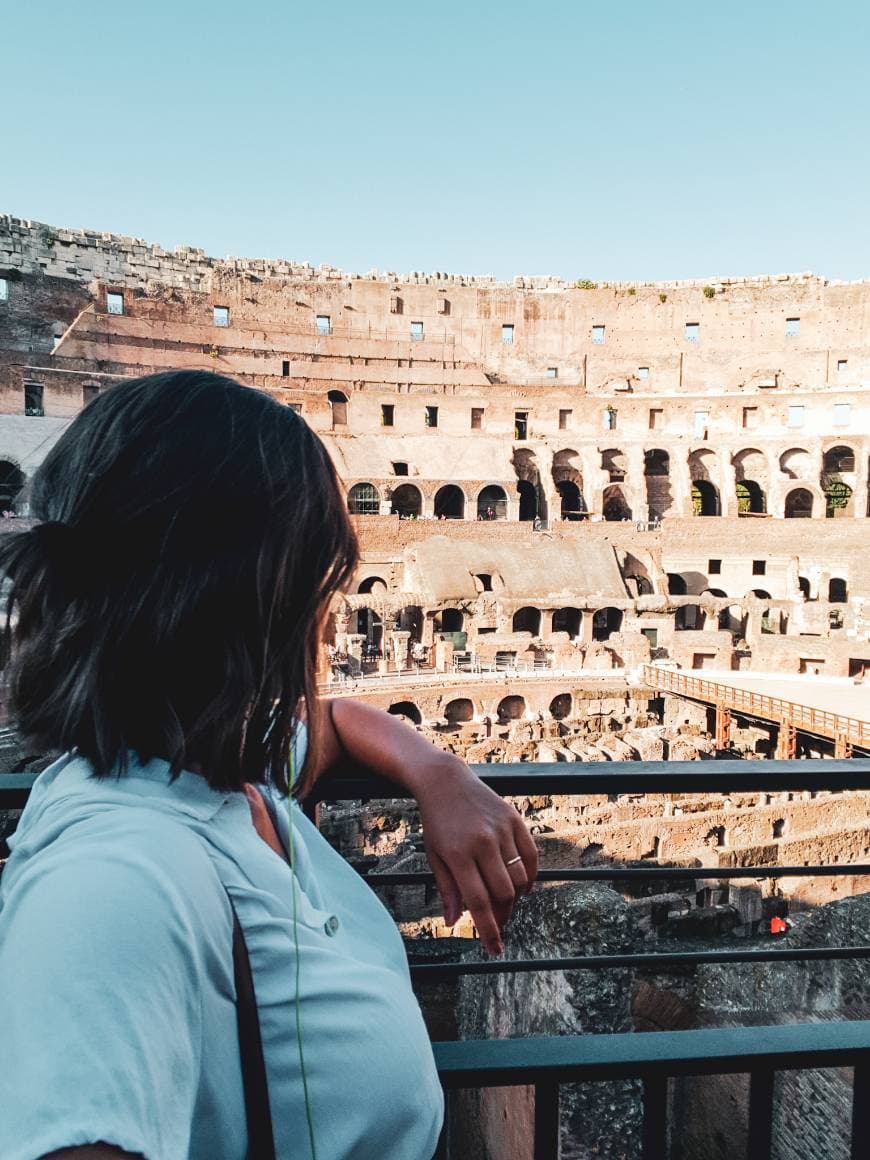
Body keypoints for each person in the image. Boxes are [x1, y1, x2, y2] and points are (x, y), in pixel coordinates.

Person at [0, 370, 538, 1160]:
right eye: (321, 578)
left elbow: (329, 723)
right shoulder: (117, 879)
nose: (330, 617)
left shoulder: (217, 765)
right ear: (249, 598)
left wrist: (437, 770)